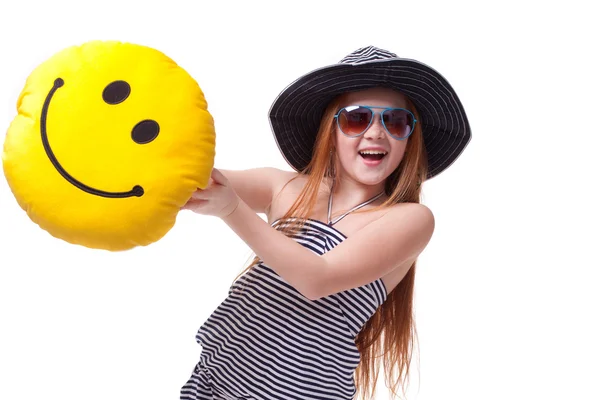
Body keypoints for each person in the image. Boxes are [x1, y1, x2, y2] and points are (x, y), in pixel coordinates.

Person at [180, 46, 471, 400]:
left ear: (409, 139)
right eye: (357, 118)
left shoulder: (409, 219)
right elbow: (188, 181)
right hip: (217, 383)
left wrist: (230, 209)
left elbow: (317, 279)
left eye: (395, 122)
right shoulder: (285, 188)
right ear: (330, 129)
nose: (376, 133)